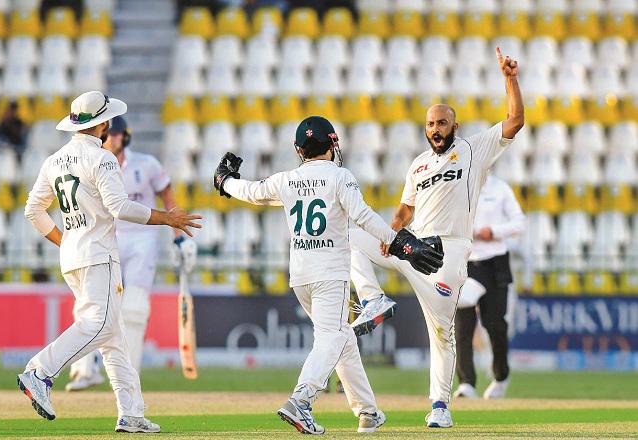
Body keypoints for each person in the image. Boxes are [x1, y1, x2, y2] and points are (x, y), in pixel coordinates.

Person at [213, 116, 444, 434]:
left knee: (343, 337)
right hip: (330, 273)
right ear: (333, 144)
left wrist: (224, 181)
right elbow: (363, 216)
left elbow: (252, 191)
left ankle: (367, 411)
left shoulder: (288, 179)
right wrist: (403, 243)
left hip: (300, 275)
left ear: (299, 149)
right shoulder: (340, 177)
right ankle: (301, 400)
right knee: (332, 337)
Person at [348, 47, 524, 428]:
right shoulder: (418, 164)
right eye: (430, 124)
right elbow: (404, 209)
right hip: (412, 245)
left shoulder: (473, 150)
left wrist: (510, 79)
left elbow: (514, 120)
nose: (436, 129)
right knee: (352, 237)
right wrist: (389, 233)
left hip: (449, 252)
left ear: (454, 127)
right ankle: (372, 298)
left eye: (442, 123)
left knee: (442, 333)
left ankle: (440, 408)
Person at [19, 91, 203, 433]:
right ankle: (40, 372)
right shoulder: (102, 159)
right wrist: (168, 218)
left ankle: (131, 412)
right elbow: (121, 208)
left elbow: (33, 210)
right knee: (101, 327)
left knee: (113, 337)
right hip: (98, 255)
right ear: (101, 123)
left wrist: (64, 241)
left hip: (73, 256)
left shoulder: (54, 160)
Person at [65, 116, 197, 390]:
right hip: (106, 237)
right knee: (92, 303)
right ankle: (84, 371)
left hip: (142, 240)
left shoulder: (146, 165)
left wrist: (179, 239)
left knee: (134, 308)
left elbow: (168, 198)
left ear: (126, 136)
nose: (112, 139)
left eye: (117, 134)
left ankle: (129, 379)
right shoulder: (91, 163)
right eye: (108, 134)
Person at [453, 175, 525, 400]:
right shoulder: (457, 186)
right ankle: (466, 383)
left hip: (495, 263)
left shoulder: (501, 187)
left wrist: (492, 231)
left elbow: (519, 223)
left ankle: (500, 377)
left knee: (495, 325)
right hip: (465, 263)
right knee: (462, 326)